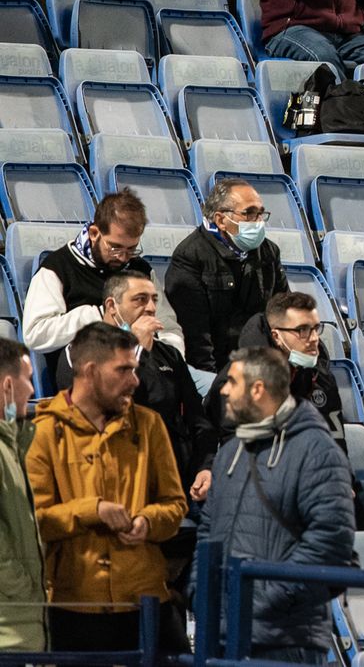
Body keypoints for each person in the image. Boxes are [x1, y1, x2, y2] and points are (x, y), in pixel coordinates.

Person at [27, 323, 187, 653]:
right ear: (89, 371)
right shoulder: (43, 432)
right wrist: (92, 511)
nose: (135, 380)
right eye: (124, 370)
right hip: (76, 605)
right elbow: (34, 522)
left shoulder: (149, 424)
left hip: (147, 600)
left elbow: (174, 505)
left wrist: (148, 522)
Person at [200, 346, 355, 663]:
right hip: (223, 633)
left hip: (286, 640)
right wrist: (200, 595)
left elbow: (329, 545)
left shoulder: (316, 451)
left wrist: (258, 603)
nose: (224, 390)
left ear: (257, 389)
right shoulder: (230, 454)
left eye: (232, 382)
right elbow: (207, 531)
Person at [202, 291, 364, 531]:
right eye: (302, 330)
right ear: (277, 336)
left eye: (315, 329)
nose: (312, 339)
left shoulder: (321, 378)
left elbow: (334, 440)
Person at [54, 272, 214, 492]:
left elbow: (198, 421)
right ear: (112, 306)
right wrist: (136, 351)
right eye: (140, 299)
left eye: (154, 300)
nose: (150, 308)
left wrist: (205, 467)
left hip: (173, 480)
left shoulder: (168, 354)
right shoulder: (81, 353)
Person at [22, 191, 170, 381]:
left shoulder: (141, 268)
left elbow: (168, 326)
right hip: (91, 374)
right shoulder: (57, 268)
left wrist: (173, 357)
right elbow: (35, 334)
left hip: (154, 365)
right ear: (94, 233)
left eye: (131, 249)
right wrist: (101, 316)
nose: (123, 257)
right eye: (115, 247)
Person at [167, 178, 287, 376]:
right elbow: (196, 336)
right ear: (221, 220)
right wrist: (213, 384)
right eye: (249, 213)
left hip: (262, 367)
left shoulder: (268, 252)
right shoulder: (191, 256)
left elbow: (283, 311)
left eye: (260, 213)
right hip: (219, 370)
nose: (257, 222)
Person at [0, 339, 44, 653]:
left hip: (21, 626)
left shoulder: (15, 444)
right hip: (10, 628)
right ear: (6, 386)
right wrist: (26, 590)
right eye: (27, 380)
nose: (32, 390)